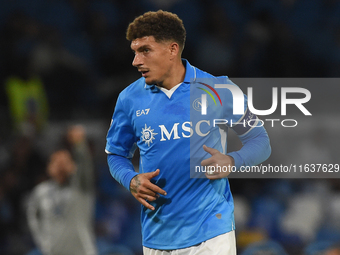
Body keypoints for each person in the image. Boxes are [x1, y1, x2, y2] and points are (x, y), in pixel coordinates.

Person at [105, 10, 271, 254]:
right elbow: (116, 154)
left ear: (172, 49)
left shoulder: (219, 89)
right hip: (156, 236)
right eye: (135, 52)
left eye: (145, 51)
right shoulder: (129, 99)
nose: (136, 61)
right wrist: (130, 179)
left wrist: (233, 160)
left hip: (211, 232)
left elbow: (261, 142)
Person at [27, 125, 97, 255]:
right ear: (49, 167)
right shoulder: (41, 192)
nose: (60, 166)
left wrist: (80, 145)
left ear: (72, 166)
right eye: (56, 162)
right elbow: (32, 215)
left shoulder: (82, 187)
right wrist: (41, 240)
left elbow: (85, 169)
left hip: (81, 251)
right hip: (54, 251)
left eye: (64, 162)